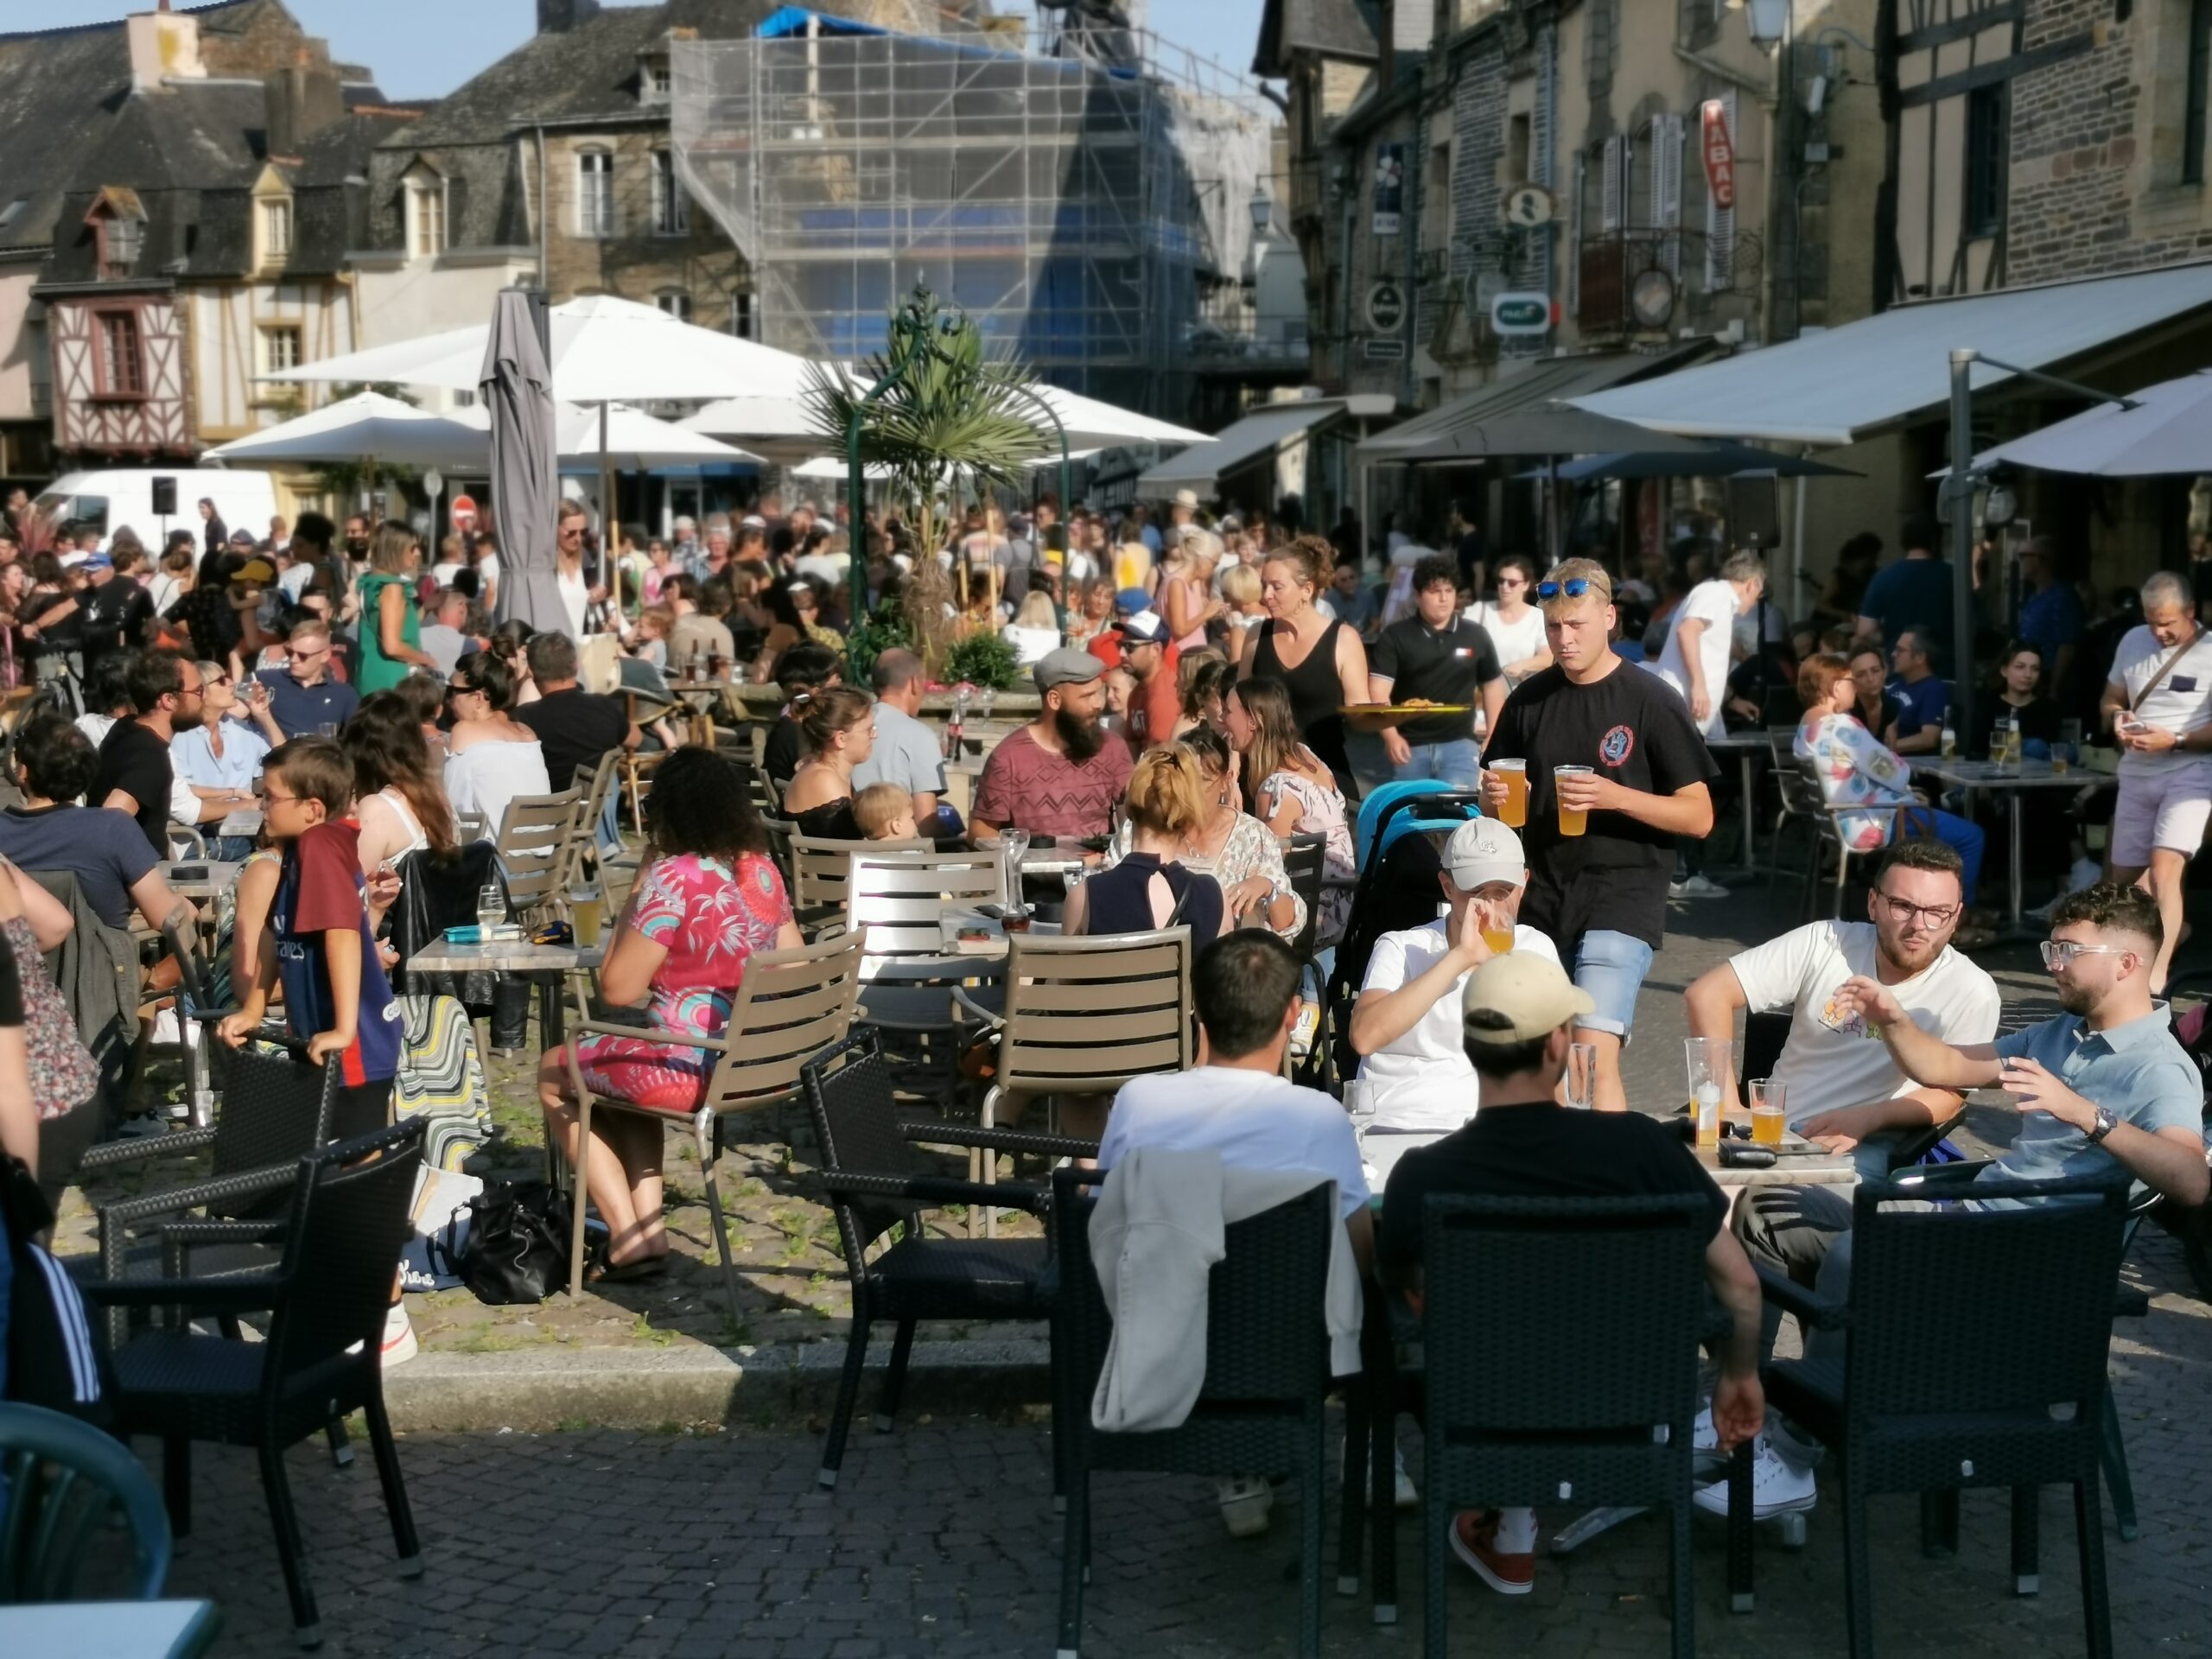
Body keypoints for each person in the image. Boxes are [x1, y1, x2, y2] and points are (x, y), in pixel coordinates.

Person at [1731, 880, 2211, 1510]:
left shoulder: (2159, 1066)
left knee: (1861, 1252)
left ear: (2126, 964)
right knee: (1767, 1211)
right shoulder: (2060, 1034)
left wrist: (2089, 1116)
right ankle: (1744, 1402)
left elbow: (2193, 1179)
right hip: (1969, 1221)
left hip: (2022, 1265)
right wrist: (1894, 1020)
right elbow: (1947, 1068)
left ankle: (1795, 1454)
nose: (2051, 965)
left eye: (2068, 951)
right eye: (2051, 948)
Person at [1378, 951, 1766, 1593]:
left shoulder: (1423, 1173)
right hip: (1627, 1414)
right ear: (1560, 1044)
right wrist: (1740, 1373)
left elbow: (1402, 1286)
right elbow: (1742, 1285)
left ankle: (1501, 1520)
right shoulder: (1643, 1146)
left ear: (1470, 1046)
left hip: (1483, 1415)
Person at [1093, 930, 1371, 1538]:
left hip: (1160, 1343)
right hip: (1285, 1352)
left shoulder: (1137, 1100)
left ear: (1196, 1009)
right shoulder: (1317, 1117)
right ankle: (1371, 1451)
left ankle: (1239, 1465)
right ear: (1294, 1013)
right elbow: (1358, 1249)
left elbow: (1109, 1221)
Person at [538, 747, 800, 1279]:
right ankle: (650, 1233)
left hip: (693, 1068)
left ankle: (627, 1236)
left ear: (666, 816)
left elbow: (616, 989)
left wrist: (637, 891)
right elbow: (792, 965)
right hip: (757, 1064)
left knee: (551, 1070)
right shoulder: (763, 870)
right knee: (625, 1076)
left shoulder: (674, 879)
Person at [1478, 560, 1716, 1112]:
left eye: (1577, 626)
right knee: (1546, 1061)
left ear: (1609, 618)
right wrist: (1489, 801)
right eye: (1554, 627)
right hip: (1540, 898)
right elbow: (1496, 801)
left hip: (1621, 894)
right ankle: (1568, 1177)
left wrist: (1614, 796)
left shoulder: (1650, 698)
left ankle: (1611, 1187)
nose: (1564, 639)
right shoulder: (1528, 700)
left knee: (1591, 1055)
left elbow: (1699, 816)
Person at [1682, 838, 2001, 1177]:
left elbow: (1951, 1095)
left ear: (1956, 918)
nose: (1919, 926)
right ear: (1873, 903)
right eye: (1902, 906)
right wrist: (1730, 1107)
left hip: (1865, 1143)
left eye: (1937, 913)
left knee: (1782, 1211)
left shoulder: (1972, 989)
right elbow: (1707, 994)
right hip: (1770, 1132)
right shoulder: (1825, 941)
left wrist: (1870, 1118)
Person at [1347, 818, 1560, 1179]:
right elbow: (1365, 1036)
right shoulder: (1402, 946)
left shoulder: (1536, 948)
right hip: (1402, 1128)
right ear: (1447, 886)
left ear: (1523, 884)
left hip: (1498, 1134)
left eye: (1503, 891)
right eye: (1477, 892)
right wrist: (1460, 957)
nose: (1491, 906)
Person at [217, 739, 403, 1138]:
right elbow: (273, 930)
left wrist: (344, 1028)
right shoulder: (298, 848)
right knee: (321, 1156)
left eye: (270, 797)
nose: (261, 805)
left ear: (312, 809)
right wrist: (254, 1006)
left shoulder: (320, 846)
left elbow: (342, 935)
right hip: (314, 1035)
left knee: (355, 1160)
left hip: (355, 1044)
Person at [1793, 652, 1990, 923]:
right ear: (1837, 687)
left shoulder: (1806, 727)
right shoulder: (1841, 726)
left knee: (1931, 811)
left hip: (1842, 819)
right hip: (1873, 820)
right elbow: (1896, 772)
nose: (1855, 687)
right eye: (1851, 680)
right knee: (1971, 836)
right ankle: (1957, 918)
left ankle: (1939, 907)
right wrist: (1904, 791)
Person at [2101, 569, 2212, 993]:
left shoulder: (2209, 652)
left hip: (2190, 771)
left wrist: (2178, 739)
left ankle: (2157, 974)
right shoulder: (2131, 642)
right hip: (2136, 772)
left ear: (2190, 611)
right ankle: (2167, 933)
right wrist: (2117, 717)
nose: (2159, 631)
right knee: (2122, 879)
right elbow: (2110, 697)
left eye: (2167, 622)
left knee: (2165, 870)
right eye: (2152, 622)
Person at [0, 715, 191, 937]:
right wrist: (186, 906)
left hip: (21, 966)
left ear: (23, 771)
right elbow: (163, 916)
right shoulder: (113, 828)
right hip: (103, 967)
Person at [1237, 536, 1371, 799]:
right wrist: (1232, 768)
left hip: (1324, 776)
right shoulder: (1256, 635)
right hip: (1263, 778)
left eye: (1277, 587)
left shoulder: (1343, 639)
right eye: (1264, 586)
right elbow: (1238, 710)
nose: (1266, 596)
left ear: (1307, 590)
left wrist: (1389, 719)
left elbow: (1359, 714)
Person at [1225, 676, 1354, 949]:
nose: (1223, 720)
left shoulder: (1277, 789)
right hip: (1343, 899)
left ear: (1253, 721)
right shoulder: (1306, 757)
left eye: (1228, 712)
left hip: (1314, 914)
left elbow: (1270, 867)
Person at [1366, 552, 1506, 787]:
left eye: (1449, 590)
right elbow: (1378, 691)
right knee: (1411, 816)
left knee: (1458, 815)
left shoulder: (1475, 635)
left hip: (1460, 743)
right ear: (1418, 595)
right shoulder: (1395, 636)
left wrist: (1494, 734)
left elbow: (1492, 684)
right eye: (1435, 591)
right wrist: (1390, 736)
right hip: (1409, 745)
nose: (1444, 598)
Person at [1063, 744, 1226, 945]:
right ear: (1188, 819)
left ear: (1131, 809)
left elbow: (1064, 975)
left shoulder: (1085, 897)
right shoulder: (1214, 897)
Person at [970, 649, 1134, 843]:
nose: (1099, 703)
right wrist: (1022, 857)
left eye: (1099, 692)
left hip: (1099, 870)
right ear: (1054, 700)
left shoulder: (1112, 748)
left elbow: (1133, 821)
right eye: (1087, 696)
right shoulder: (1008, 758)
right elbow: (981, 830)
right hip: (1031, 872)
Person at [92, 649, 200, 857]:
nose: (203, 700)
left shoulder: (127, 727)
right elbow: (108, 826)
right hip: (136, 883)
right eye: (199, 691)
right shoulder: (149, 756)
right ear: (168, 700)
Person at [170, 659, 282, 858]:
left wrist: (265, 716)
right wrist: (233, 792)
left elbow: (286, 763)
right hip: (196, 838)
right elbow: (180, 791)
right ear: (201, 692)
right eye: (221, 680)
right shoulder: (180, 735)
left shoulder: (239, 729)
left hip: (244, 837)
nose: (232, 683)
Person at [1652, 550, 1765, 740]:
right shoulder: (1715, 593)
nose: (1755, 602)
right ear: (1752, 584)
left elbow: (1709, 659)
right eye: (1758, 595)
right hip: (1681, 707)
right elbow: (1687, 631)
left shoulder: (1721, 600)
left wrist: (1731, 700)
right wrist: (1699, 686)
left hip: (1691, 712)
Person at [514, 630, 640, 792]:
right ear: (576, 665)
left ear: (531, 672)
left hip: (548, 809)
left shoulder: (523, 719)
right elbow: (635, 739)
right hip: (594, 807)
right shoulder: (602, 706)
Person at [442, 651, 551, 836]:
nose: (448, 700)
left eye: (452, 691)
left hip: (491, 860)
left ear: (478, 698)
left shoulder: (464, 732)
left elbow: (451, 808)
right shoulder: (527, 734)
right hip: (541, 856)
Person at [850, 649, 951, 836]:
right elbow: (926, 824)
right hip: (902, 856)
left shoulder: (852, 727)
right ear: (914, 683)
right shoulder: (920, 735)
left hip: (852, 849)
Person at [1855, 515, 1953, 670]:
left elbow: (1865, 630)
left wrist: (1890, 638)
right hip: (1944, 669)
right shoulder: (1952, 576)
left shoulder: (1884, 577)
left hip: (1899, 670)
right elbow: (1973, 624)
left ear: (1904, 541)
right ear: (1935, 540)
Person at [782, 686, 875, 841]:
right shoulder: (825, 780)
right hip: (827, 865)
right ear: (841, 739)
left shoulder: (823, 770)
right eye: (869, 730)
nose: (875, 735)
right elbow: (846, 848)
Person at [355, 524, 436, 692]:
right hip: (392, 678)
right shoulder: (392, 588)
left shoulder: (371, 583)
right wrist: (426, 660)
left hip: (370, 673)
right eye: (412, 548)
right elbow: (392, 646)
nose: (418, 553)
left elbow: (395, 626)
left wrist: (426, 608)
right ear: (395, 550)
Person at [254, 618, 359, 738]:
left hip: (320, 754)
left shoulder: (344, 694)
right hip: (274, 754)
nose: (293, 659)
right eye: (290, 652)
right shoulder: (264, 680)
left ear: (325, 655)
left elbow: (357, 743)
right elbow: (232, 715)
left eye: (302, 656)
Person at [762, 643, 842, 792]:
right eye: (834, 685)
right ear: (814, 691)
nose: (840, 686)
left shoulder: (788, 726)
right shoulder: (802, 735)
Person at [1463, 553, 1551, 688]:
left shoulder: (1538, 617)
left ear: (1526, 585)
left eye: (1512, 583)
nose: (1505, 587)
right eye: (1501, 581)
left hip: (1519, 695)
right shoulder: (1479, 611)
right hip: (1482, 696)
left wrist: (1522, 665)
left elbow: (1548, 658)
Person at [2017, 536, 2084, 705]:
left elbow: (2067, 646)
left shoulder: (2062, 597)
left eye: (2024, 556)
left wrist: (2054, 687)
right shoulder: (2034, 596)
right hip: (2031, 676)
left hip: (2048, 679)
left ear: (2039, 560)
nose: (2021, 561)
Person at [1116, 609, 1181, 755]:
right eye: (1120, 645)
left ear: (1156, 650)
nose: (1121, 653)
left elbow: (1162, 758)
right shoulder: (1138, 691)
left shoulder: (1163, 694)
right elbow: (1130, 747)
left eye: (1130, 647)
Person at [1986, 638, 2062, 755]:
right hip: (1999, 767)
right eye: (2020, 667)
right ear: (2004, 671)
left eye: (2035, 669)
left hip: (2040, 770)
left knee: (2067, 752)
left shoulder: (2049, 708)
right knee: (2035, 746)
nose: (2028, 675)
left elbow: (2050, 752)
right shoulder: (1989, 705)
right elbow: (1978, 750)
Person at [1885, 626, 1951, 754]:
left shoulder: (1933, 690)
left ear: (1919, 657)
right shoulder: (1896, 685)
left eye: (1900, 650)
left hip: (1908, 766)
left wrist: (1884, 748)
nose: (1893, 654)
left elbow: (1928, 738)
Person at [1846, 644, 1903, 741]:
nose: (1870, 679)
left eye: (1875, 671)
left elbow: (1889, 751)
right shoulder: (1846, 709)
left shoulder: (1892, 706)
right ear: (1851, 680)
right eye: (1861, 675)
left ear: (1885, 672)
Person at [417, 588, 472, 677]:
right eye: (467, 607)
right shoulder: (469, 644)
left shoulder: (418, 634)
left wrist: (425, 609)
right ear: (461, 606)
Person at [852, 781, 918, 842]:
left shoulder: (861, 852)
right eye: (912, 817)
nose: (915, 821)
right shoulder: (910, 853)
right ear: (897, 825)